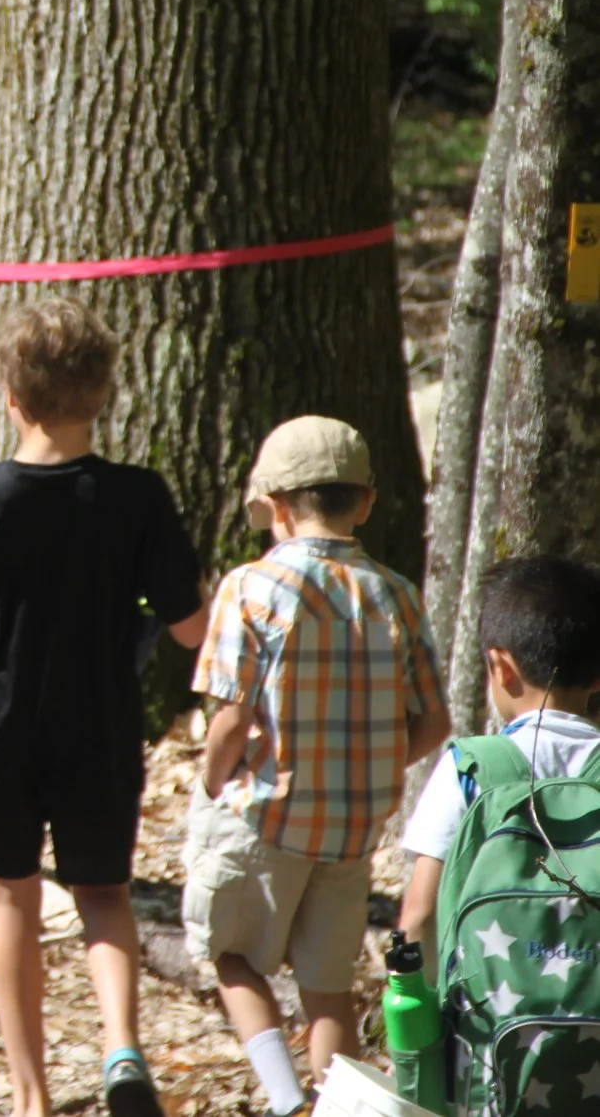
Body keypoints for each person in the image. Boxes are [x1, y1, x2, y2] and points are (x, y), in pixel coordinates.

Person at [0, 298, 207, 1117]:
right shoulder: (139, 495)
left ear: (12, 396)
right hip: (102, 722)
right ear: (104, 393)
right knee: (105, 892)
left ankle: (30, 1094)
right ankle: (123, 1050)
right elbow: (189, 626)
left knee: (8, 892)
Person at [187, 417, 448, 1116]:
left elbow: (232, 720)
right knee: (327, 986)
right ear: (364, 502)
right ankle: (340, 1107)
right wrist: (370, 767)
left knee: (230, 955)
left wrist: (213, 781)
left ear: (273, 505)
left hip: (266, 813)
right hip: (354, 828)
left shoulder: (251, 585)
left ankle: (284, 1098)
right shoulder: (395, 593)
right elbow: (435, 721)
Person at [396, 553, 600, 970]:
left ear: (501, 668)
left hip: (489, 1025)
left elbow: (420, 914)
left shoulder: (471, 767)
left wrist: (419, 1021)